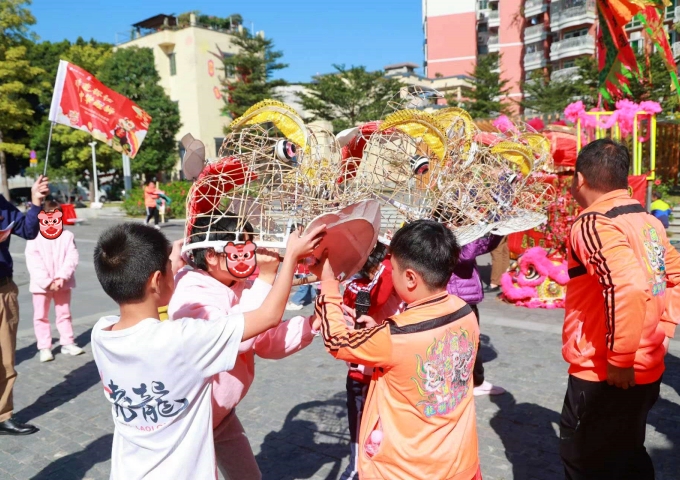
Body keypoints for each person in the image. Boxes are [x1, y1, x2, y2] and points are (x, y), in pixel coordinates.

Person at [91, 222, 325, 479]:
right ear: (157, 280)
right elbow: (266, 317)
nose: (179, 270)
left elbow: (264, 336)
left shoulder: (101, 333)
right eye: (171, 267)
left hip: (132, 467)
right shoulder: (184, 341)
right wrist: (284, 262)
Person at [313, 220, 482, 480]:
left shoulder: (397, 335)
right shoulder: (464, 312)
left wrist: (328, 284)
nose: (389, 275)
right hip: (459, 463)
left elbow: (337, 341)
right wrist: (377, 331)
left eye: (393, 270)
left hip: (406, 470)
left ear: (411, 278)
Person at [167, 214, 322, 479]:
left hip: (221, 414)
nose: (250, 257)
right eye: (241, 251)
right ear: (211, 256)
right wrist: (266, 279)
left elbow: (266, 341)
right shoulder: (189, 290)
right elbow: (235, 337)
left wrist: (311, 324)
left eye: (250, 248)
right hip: (191, 418)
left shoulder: (239, 284)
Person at [561, 139, 680, 480]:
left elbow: (626, 286)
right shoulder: (646, 220)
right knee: (627, 455)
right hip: (647, 367)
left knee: (583, 460)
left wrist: (621, 359)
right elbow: (674, 275)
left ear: (579, 179)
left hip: (605, 373)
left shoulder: (593, 223)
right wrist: (666, 328)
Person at [339, 242, 402, 480]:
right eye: (383, 264)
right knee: (360, 421)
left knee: (387, 425)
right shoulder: (357, 287)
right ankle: (356, 465)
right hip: (363, 371)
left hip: (390, 369)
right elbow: (376, 298)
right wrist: (391, 259)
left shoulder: (396, 284)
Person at [0, 175, 49, 436]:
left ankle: (3, 415)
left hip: (3, 290)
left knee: (6, 358)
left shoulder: (0, 203)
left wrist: (35, 202)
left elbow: (28, 231)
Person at [448, 234, 506, 396]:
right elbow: (466, 255)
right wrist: (476, 233)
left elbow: (484, 248)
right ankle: (466, 384)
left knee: (471, 339)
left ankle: (474, 380)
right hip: (458, 293)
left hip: (464, 292)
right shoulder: (446, 231)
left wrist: (495, 231)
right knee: (464, 341)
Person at [25, 200, 83, 362]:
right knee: (40, 316)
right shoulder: (34, 236)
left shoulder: (67, 236)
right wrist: (46, 281)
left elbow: (72, 257)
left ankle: (67, 342)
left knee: (64, 314)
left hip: (62, 283)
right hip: (40, 285)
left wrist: (61, 277)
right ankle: (44, 346)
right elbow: (33, 260)